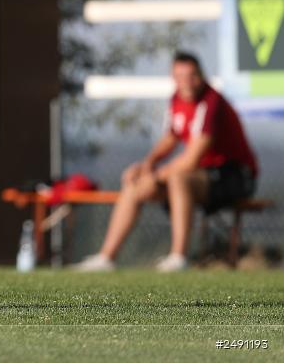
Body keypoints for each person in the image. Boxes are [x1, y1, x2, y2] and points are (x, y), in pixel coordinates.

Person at [75, 52, 258, 272]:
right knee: (134, 184)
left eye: (192, 76)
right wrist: (146, 165)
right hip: (203, 177)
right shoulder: (176, 98)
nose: (186, 83)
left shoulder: (212, 102)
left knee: (178, 178)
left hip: (235, 176)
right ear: (173, 78)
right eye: (180, 77)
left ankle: (178, 258)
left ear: (201, 75)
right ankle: (106, 258)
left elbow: (192, 159)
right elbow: (171, 136)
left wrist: (154, 176)